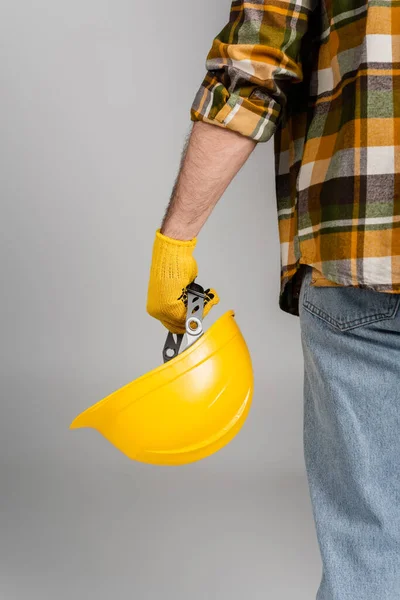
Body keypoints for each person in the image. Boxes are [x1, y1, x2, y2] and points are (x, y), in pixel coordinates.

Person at [146, 0, 400, 597]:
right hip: (357, 269)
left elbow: (254, 65)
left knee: (371, 547)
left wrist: (175, 242)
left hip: (363, 247)